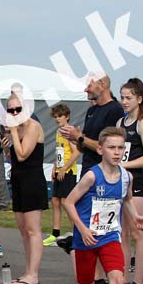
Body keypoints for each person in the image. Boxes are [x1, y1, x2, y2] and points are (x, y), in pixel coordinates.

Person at [62, 127, 143, 284]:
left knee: (117, 281)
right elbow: (69, 203)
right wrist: (81, 229)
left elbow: (127, 199)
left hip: (110, 237)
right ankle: (71, 246)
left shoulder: (126, 177)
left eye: (121, 148)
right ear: (100, 149)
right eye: (112, 147)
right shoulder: (91, 176)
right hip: (86, 238)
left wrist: (134, 216)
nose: (117, 152)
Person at [59, 73, 124, 284]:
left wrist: (80, 137)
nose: (86, 90)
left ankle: (103, 276)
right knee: (84, 219)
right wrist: (74, 140)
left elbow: (104, 145)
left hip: (104, 175)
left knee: (99, 223)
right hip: (88, 171)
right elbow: (86, 143)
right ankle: (92, 277)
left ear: (103, 84)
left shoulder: (114, 110)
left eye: (89, 85)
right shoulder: (92, 110)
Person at [116, 78, 143, 284]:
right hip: (123, 181)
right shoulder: (122, 122)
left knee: (138, 231)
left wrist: (124, 165)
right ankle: (123, 280)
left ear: (139, 99)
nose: (124, 101)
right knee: (122, 233)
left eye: (128, 98)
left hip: (138, 181)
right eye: (122, 97)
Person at [2, 95, 46, 284]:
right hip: (18, 179)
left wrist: (12, 132)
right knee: (23, 229)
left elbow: (22, 155)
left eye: (18, 109)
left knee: (32, 229)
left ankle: (33, 274)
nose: (14, 114)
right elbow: (12, 157)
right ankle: (28, 270)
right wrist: (6, 147)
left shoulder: (33, 126)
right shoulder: (17, 130)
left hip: (32, 180)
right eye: (10, 110)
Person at [43, 103, 80, 247]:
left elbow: (76, 152)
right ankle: (55, 232)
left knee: (66, 202)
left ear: (67, 117)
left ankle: (76, 232)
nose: (57, 119)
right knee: (55, 201)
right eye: (56, 117)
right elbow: (59, 150)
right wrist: (54, 167)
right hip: (59, 169)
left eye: (60, 116)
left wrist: (64, 168)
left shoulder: (69, 132)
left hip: (69, 171)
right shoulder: (59, 132)